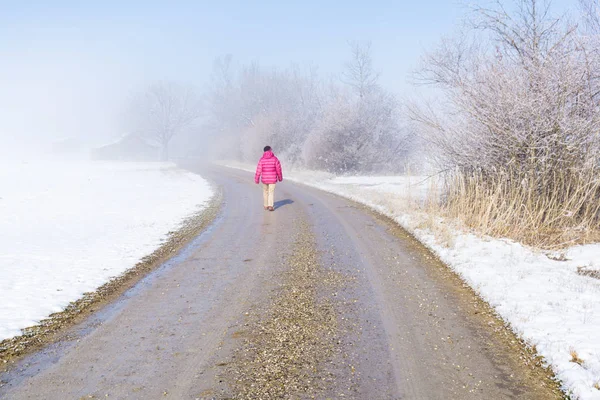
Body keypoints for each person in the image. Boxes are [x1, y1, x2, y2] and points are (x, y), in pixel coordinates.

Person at [254, 146, 283, 211]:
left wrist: (257, 179)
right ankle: (270, 206)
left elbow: (258, 170)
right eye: (271, 149)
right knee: (271, 192)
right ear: (270, 150)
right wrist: (280, 177)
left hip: (264, 179)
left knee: (265, 191)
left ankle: (265, 205)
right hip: (272, 179)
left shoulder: (261, 159)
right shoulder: (275, 159)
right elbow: (278, 169)